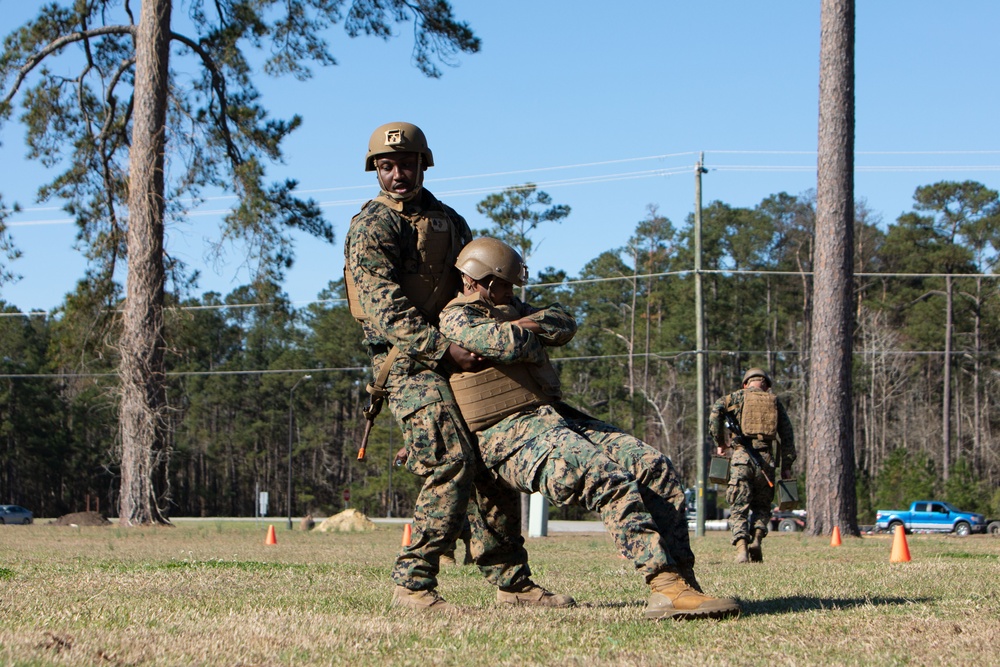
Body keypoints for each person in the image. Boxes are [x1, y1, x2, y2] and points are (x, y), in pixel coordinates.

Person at [437, 237, 740, 620]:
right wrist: (525, 331)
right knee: (605, 476)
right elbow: (508, 345)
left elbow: (562, 322)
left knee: (654, 467)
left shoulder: (508, 309)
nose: (511, 292)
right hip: (505, 434)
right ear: (480, 279)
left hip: (552, 417)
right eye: (505, 285)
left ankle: (684, 581)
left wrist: (522, 322)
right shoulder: (456, 316)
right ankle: (664, 587)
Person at [343, 122, 573, 612]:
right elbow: (385, 310)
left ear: (424, 164)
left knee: (492, 464)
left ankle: (512, 583)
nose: (398, 174)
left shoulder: (450, 222)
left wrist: (504, 329)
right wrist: (443, 350)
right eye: (387, 166)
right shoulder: (372, 226)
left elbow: (476, 292)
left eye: (407, 164)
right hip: (408, 363)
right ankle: (414, 585)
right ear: (375, 170)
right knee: (452, 460)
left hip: (462, 351)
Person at [709, 368, 797, 563]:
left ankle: (741, 549)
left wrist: (721, 443)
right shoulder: (774, 402)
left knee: (739, 506)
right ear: (766, 385)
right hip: (766, 462)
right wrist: (786, 465)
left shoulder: (734, 398)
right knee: (762, 506)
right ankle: (756, 539)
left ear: (745, 383)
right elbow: (787, 435)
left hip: (741, 460)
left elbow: (715, 413)